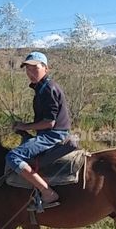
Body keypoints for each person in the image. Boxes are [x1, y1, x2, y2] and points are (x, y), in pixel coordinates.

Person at [6, 51, 72, 210]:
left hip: (54, 134)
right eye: (27, 69)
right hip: (49, 133)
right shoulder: (41, 88)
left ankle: (48, 193)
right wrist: (24, 129)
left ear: (46, 68)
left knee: (13, 156)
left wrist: (24, 126)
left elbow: (49, 123)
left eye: (35, 68)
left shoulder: (48, 88)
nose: (30, 72)